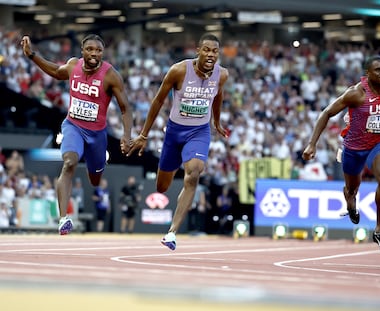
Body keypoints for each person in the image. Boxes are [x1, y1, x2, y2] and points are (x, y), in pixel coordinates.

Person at [21, 34, 133, 235]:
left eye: (98, 50)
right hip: (73, 126)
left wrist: (126, 135)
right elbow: (55, 71)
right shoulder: (74, 66)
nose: (94, 53)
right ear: (82, 50)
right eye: (90, 49)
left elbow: (125, 108)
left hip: (97, 134)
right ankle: (63, 219)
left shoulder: (111, 75)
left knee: (95, 179)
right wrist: (32, 56)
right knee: (69, 162)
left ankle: (99, 162)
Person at [128, 33, 229, 250]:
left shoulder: (222, 75)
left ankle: (172, 232)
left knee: (194, 173)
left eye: (215, 51)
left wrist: (216, 122)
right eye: (207, 50)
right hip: (174, 132)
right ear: (198, 50)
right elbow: (157, 101)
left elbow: (218, 97)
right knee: (162, 187)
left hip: (199, 132)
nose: (211, 54)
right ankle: (169, 172)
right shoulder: (179, 71)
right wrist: (144, 134)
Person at [302, 55, 380, 254]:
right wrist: (311, 144)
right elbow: (326, 113)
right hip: (354, 148)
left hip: (379, 143)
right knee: (351, 189)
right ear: (368, 74)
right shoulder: (356, 93)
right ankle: (351, 204)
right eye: (379, 70)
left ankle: (379, 230)